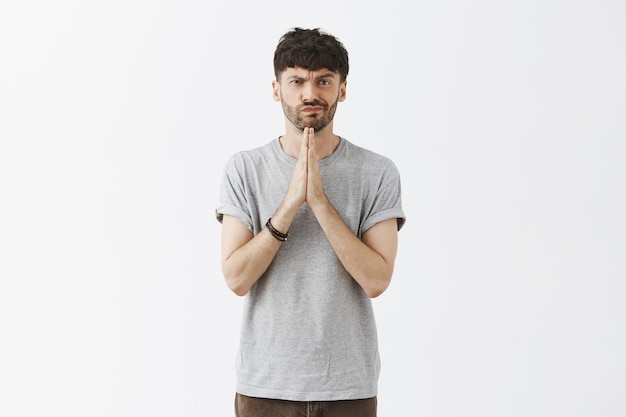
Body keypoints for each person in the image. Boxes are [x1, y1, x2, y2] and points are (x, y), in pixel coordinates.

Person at [216, 27, 406, 417]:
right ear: (276, 89)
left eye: (323, 81)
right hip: (265, 385)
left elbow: (377, 280)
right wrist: (289, 206)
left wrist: (319, 202)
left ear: (342, 90)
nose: (309, 93)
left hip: (348, 387)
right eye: (297, 81)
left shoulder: (376, 172)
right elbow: (236, 279)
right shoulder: (245, 169)